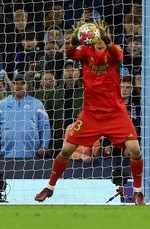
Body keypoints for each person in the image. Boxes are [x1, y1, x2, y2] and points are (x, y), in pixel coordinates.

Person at [34, 20, 145, 205]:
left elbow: (118, 55)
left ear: (106, 34)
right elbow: (69, 53)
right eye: (97, 35)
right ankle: (50, 187)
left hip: (115, 113)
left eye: (102, 34)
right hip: (91, 114)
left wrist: (106, 37)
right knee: (66, 150)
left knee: (135, 150)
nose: (99, 38)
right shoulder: (86, 51)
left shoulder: (113, 49)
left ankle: (138, 191)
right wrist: (76, 39)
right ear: (91, 37)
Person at [0, 74, 51, 159]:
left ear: (27, 86)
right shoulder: (1, 105)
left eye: (22, 83)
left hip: (33, 156)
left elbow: (45, 127)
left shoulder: (37, 104)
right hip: (6, 157)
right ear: (12, 85)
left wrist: (44, 146)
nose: (19, 86)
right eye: (16, 83)